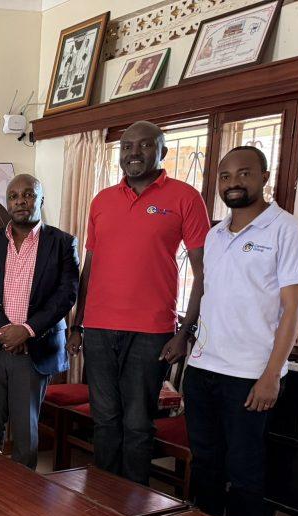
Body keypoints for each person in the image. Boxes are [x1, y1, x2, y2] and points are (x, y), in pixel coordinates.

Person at [68, 121, 210, 484]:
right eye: (127, 146)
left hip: (151, 332)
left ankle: (133, 504)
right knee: (105, 419)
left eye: (145, 145)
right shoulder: (102, 200)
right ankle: (104, 498)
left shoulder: (185, 197)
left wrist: (185, 331)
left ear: (162, 151)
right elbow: (90, 267)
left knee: (136, 423)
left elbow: (204, 272)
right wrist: (77, 324)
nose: (134, 153)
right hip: (99, 329)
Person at [184, 146, 298, 516]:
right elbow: (212, 297)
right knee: (205, 464)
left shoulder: (287, 230)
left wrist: (272, 375)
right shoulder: (215, 234)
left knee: (245, 471)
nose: (234, 183)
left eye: (244, 173)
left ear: (264, 177)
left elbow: (294, 308)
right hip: (203, 369)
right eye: (225, 176)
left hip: (250, 376)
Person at [0, 174, 79, 469]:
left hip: (35, 349)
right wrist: (5, 330)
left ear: (41, 200)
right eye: (14, 196)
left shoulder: (62, 243)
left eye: (28, 194)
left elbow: (66, 294)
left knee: (26, 432)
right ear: (7, 203)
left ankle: (22, 493)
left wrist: (27, 330)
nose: (20, 201)